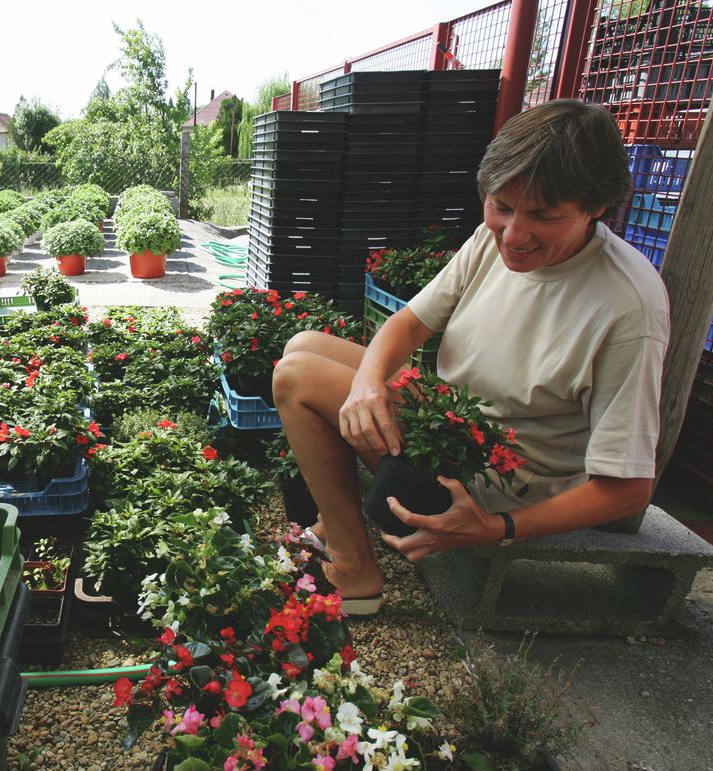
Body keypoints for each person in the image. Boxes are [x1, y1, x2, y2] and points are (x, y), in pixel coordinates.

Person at [271, 99, 670, 614]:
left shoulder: (627, 308)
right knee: (305, 344)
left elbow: (629, 488)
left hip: (498, 481)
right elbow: (410, 321)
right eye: (501, 206)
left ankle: (353, 571)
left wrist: (496, 529)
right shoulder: (493, 237)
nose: (514, 234)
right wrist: (370, 382)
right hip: (453, 424)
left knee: (296, 376)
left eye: (544, 216)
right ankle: (335, 522)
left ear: (596, 207)